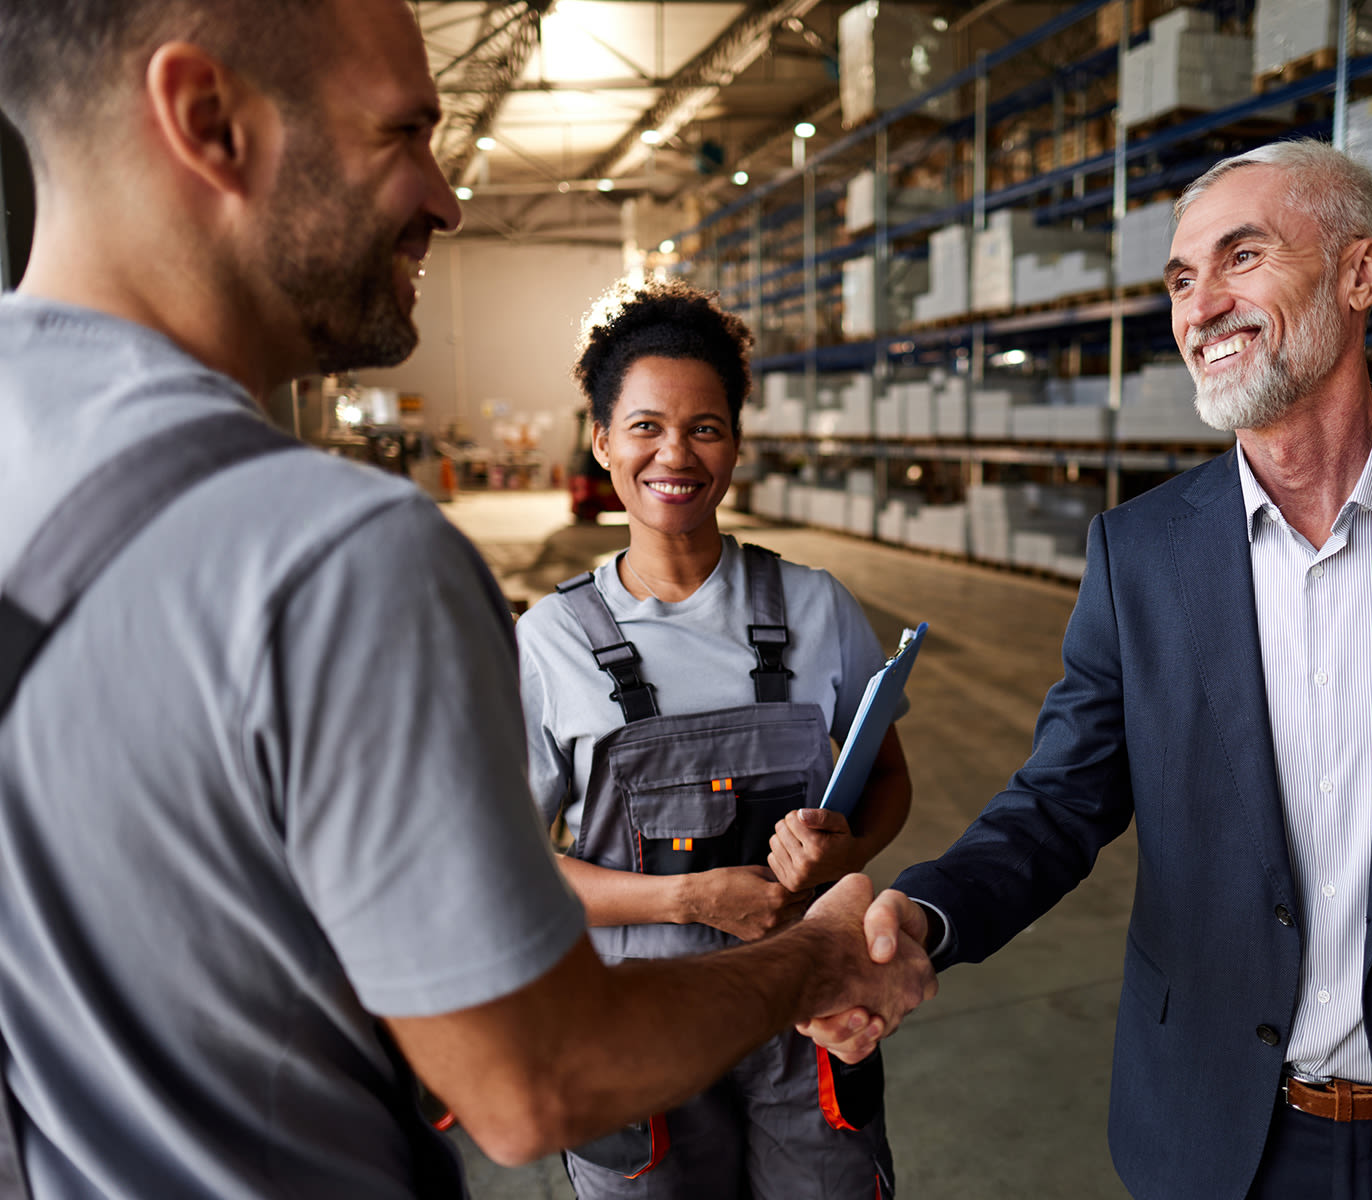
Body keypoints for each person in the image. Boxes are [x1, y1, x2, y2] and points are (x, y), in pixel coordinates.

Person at [0, 2, 932, 1197]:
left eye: (706, 428)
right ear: (208, 120)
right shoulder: (337, 558)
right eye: (403, 133)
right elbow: (532, 1082)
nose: (444, 197)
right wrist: (810, 965)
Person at [810, 139, 1372, 1200]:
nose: (1201, 305)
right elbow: (1058, 804)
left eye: (1242, 256)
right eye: (1182, 279)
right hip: (1210, 1140)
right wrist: (927, 919)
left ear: (1361, 273)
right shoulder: (1138, 556)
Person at [515, 278, 913, 1198]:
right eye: (646, 426)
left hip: (809, 1015)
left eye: (706, 427)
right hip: (636, 1027)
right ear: (603, 440)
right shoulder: (548, 644)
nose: (676, 455)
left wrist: (846, 845)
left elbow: (887, 778)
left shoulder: (817, 608)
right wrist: (688, 899)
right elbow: (511, 868)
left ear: (735, 442)